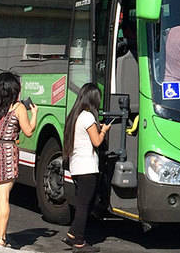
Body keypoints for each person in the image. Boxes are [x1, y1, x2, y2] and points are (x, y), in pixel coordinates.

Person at [0, 71, 37, 248]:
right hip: (5, 151)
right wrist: (35, 114)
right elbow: (29, 131)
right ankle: (1, 239)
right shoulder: (18, 108)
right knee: (3, 197)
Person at [62, 83, 111, 252]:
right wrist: (104, 130)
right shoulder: (88, 117)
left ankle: (72, 234)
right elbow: (96, 141)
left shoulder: (75, 116)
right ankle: (79, 242)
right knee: (84, 206)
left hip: (77, 166)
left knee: (83, 203)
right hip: (87, 168)